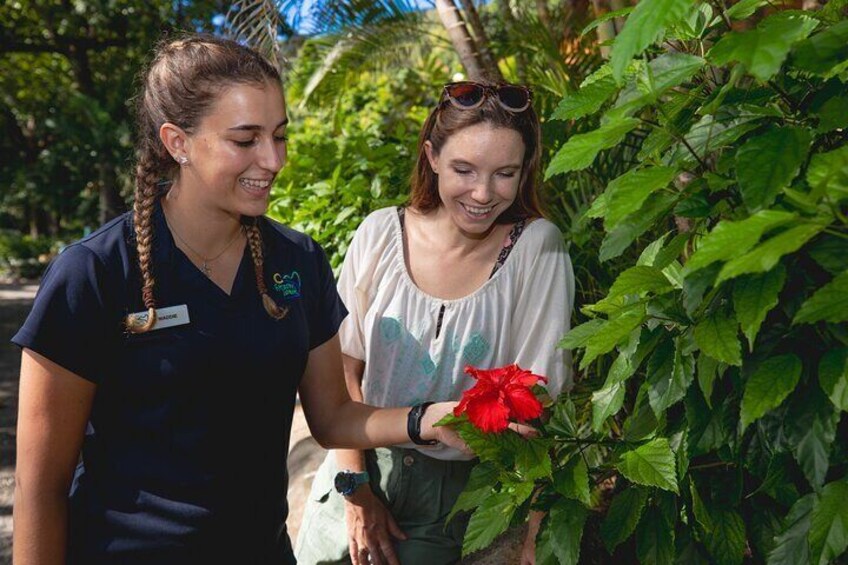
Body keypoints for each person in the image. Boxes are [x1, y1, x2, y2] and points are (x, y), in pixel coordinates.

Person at [11, 35, 466, 565]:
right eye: (245, 140)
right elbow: (40, 488)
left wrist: (431, 419)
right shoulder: (94, 273)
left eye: (278, 136)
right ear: (177, 142)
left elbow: (333, 416)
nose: (272, 160)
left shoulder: (297, 261)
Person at [295, 81, 575, 565]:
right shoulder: (380, 232)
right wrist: (356, 491)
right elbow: (343, 370)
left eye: (505, 173)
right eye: (464, 169)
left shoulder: (537, 248)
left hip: (454, 495)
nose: (483, 194)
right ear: (432, 157)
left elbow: (537, 399)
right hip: (357, 464)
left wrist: (534, 528)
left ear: (525, 168)